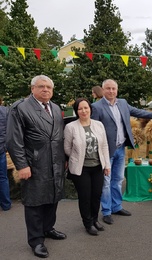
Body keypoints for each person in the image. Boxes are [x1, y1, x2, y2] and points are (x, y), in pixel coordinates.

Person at [91, 79, 152, 225]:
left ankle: (117, 206)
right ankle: (106, 211)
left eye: (113, 88)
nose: (111, 91)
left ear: (117, 90)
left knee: (118, 179)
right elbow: (94, 130)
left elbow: (138, 112)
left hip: (121, 149)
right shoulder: (96, 107)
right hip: (106, 151)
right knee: (106, 183)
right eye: (108, 88)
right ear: (103, 89)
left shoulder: (123, 103)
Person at [6, 75, 66, 258]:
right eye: (41, 86)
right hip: (34, 164)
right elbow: (13, 140)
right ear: (32, 89)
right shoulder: (20, 108)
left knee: (52, 198)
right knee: (34, 203)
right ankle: (36, 240)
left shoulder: (55, 108)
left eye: (49, 87)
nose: (46, 89)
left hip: (55, 162)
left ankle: (48, 228)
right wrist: (22, 165)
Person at [64, 98, 111, 236]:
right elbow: (66, 148)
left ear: (90, 109)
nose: (83, 111)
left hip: (97, 166)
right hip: (81, 168)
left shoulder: (99, 125)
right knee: (85, 197)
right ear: (76, 111)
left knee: (96, 195)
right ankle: (88, 223)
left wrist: (107, 165)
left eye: (86, 108)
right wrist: (76, 156)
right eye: (80, 108)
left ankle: (95, 219)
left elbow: (104, 146)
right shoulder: (71, 127)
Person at [0, 97, 11, 211]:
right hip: (1, 149)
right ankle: (6, 204)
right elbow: (9, 130)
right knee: (2, 177)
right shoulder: (5, 111)